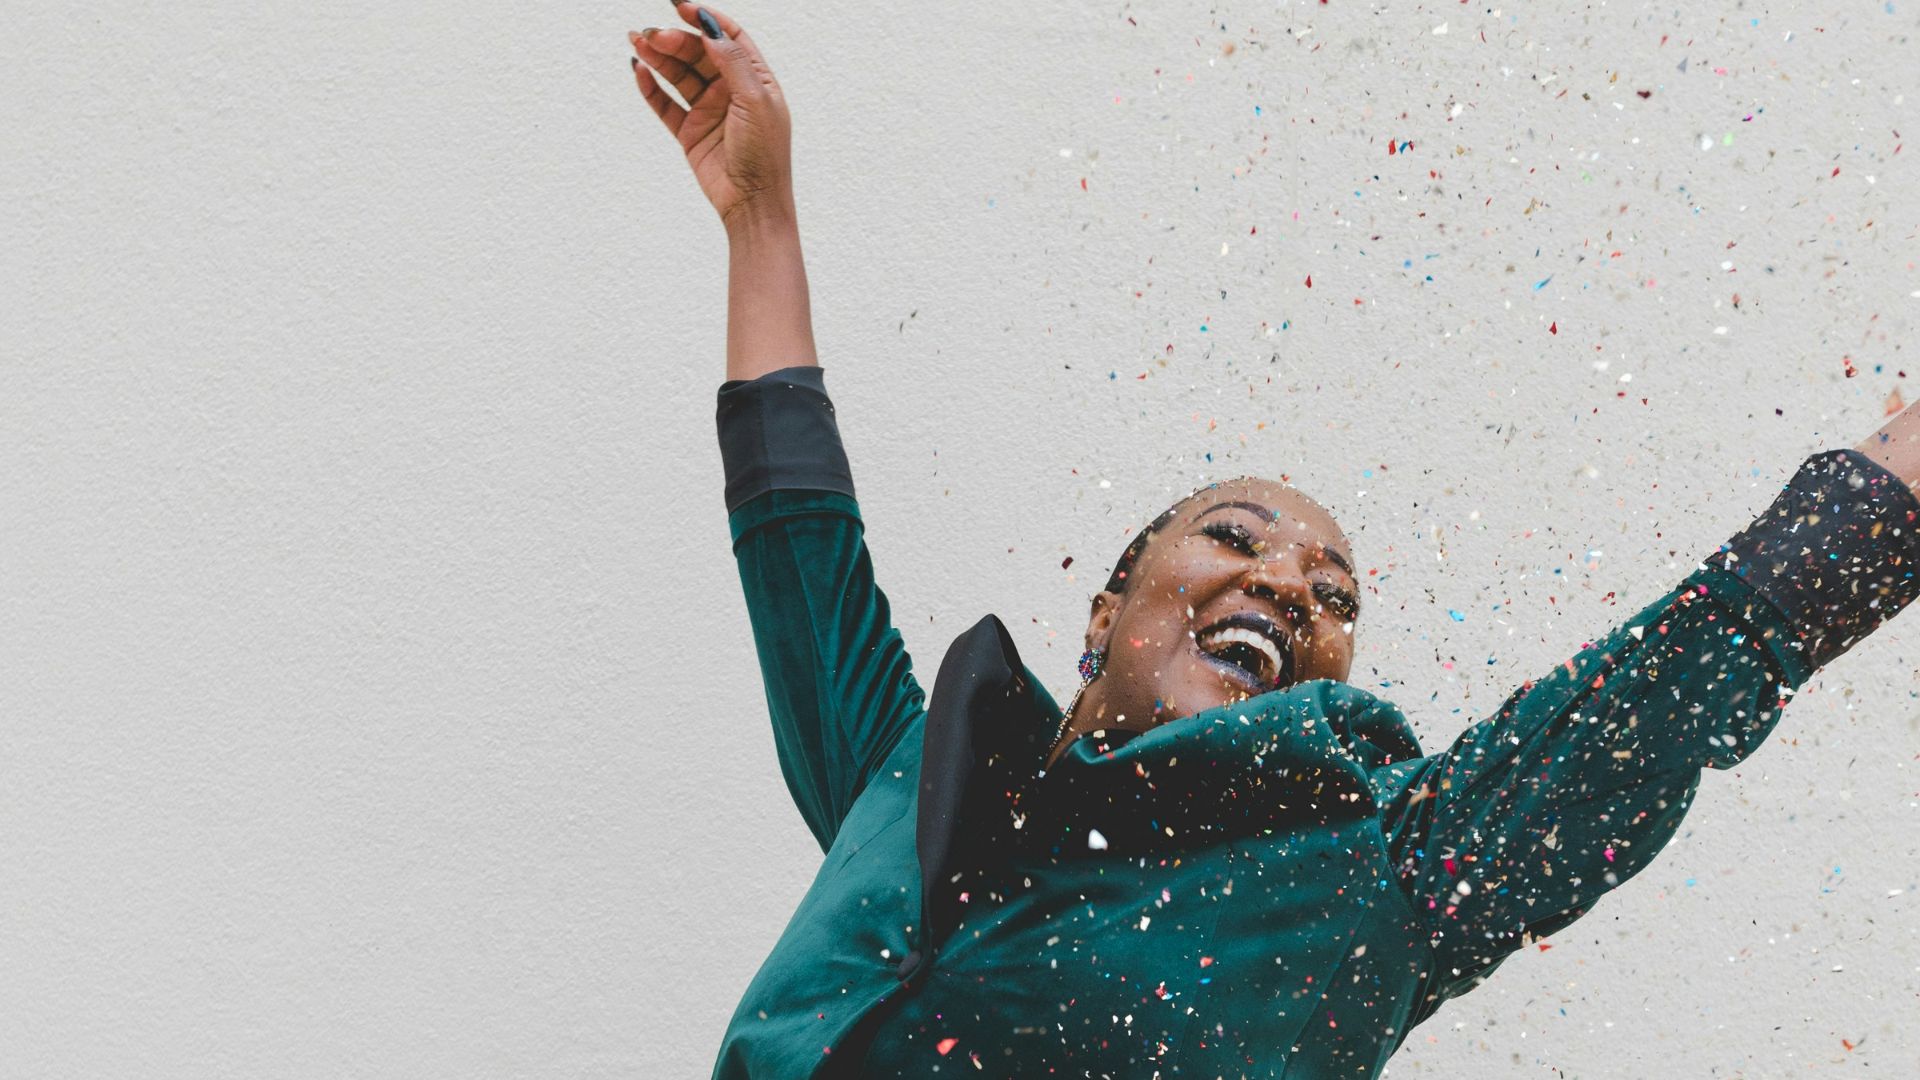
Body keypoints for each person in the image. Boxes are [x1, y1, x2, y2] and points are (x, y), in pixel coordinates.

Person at [628, 7, 1920, 1077]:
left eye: (1333, 595)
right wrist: (761, 217)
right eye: (1234, 536)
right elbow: (799, 535)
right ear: (1106, 612)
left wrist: (1897, 483)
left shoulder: (1365, 885)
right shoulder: (907, 784)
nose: (1287, 583)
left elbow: (1655, 702)